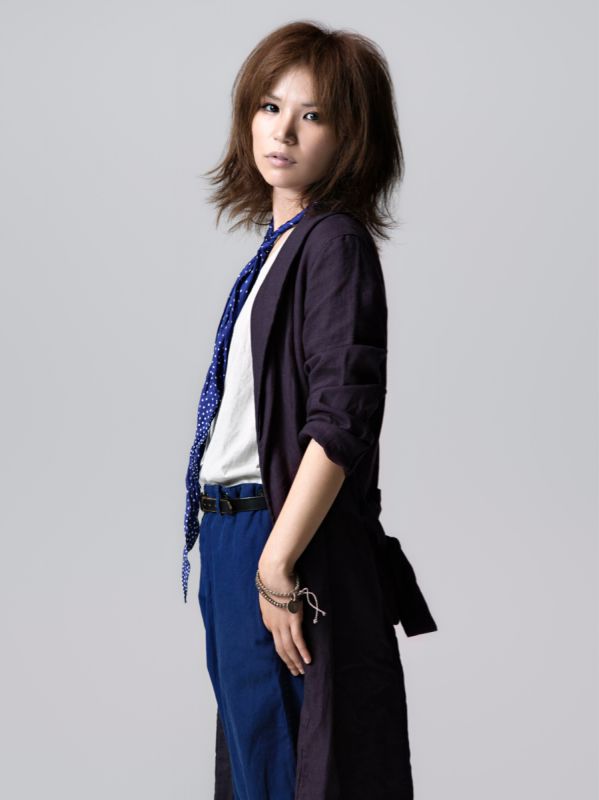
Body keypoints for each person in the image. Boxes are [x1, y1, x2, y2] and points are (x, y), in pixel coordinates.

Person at [182, 20, 438, 800]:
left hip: (275, 536)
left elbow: (341, 420)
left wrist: (274, 563)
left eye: (313, 114)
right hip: (232, 535)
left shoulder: (331, 245)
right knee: (259, 769)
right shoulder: (280, 250)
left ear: (350, 136)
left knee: (293, 771)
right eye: (270, 106)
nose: (283, 131)